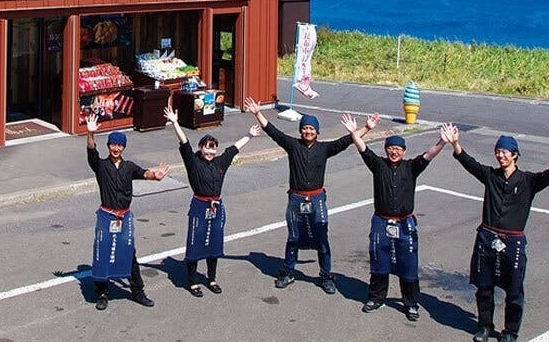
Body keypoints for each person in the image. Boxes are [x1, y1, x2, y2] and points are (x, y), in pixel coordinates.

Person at [450, 129, 549, 342]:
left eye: (505, 152)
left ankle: (510, 332)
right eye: (498, 151)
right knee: (484, 287)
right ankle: (484, 326)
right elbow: (469, 162)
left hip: (512, 242)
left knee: (514, 291)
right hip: (487, 238)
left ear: (515, 155)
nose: (500, 155)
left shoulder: (528, 181)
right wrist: (455, 143)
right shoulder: (490, 176)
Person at [243, 97, 378, 294]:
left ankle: (326, 275)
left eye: (312, 129)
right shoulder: (292, 145)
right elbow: (272, 131)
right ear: (301, 130)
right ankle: (288, 272)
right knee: (294, 237)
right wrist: (257, 113)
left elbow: (347, 141)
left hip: (316, 199)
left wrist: (367, 127)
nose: (308, 131)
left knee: (322, 237)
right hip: (296, 199)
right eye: (305, 128)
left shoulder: (324, 149)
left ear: (317, 132)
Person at [349, 122, 452, 320]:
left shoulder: (412, 167)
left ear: (404, 151)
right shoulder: (378, 165)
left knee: (408, 264)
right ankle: (376, 298)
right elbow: (362, 148)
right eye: (390, 148)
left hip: (405, 224)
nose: (394, 152)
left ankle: (411, 303)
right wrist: (355, 132)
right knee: (379, 261)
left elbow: (429, 155)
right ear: (385, 150)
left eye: (398, 149)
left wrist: (443, 141)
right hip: (381, 222)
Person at [164, 102, 261, 296]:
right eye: (207, 148)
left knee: (214, 245)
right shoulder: (193, 162)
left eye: (213, 149)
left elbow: (234, 149)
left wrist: (249, 135)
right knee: (195, 244)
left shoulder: (220, 162)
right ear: (201, 148)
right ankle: (192, 282)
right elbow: (185, 144)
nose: (210, 152)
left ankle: (212, 278)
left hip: (216, 206)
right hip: (199, 206)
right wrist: (175, 123)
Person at [86, 114, 170, 310]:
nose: (116, 148)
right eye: (113, 145)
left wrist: (155, 175)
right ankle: (102, 293)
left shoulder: (129, 167)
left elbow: (144, 173)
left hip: (124, 217)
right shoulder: (101, 166)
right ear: (108, 146)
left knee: (129, 253)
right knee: (102, 253)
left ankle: (138, 292)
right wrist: (90, 133)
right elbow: (91, 151)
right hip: (106, 215)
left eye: (119, 145)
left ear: (124, 147)